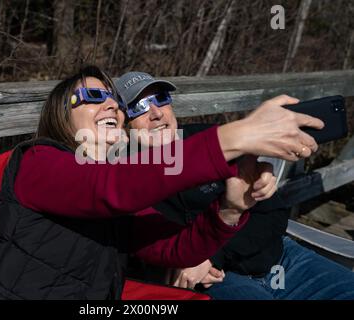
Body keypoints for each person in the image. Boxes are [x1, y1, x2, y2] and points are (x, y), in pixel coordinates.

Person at [0, 66, 320, 300]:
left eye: (114, 101)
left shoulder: (117, 187)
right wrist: (233, 136)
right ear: (61, 115)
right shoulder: (38, 162)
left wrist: (229, 209)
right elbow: (107, 189)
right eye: (94, 96)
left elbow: (176, 250)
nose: (112, 105)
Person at [116, 71, 354, 300]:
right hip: (220, 282)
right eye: (139, 107)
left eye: (160, 98)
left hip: (282, 259)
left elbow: (273, 212)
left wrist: (213, 258)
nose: (156, 113)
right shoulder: (121, 181)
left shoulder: (214, 140)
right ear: (123, 124)